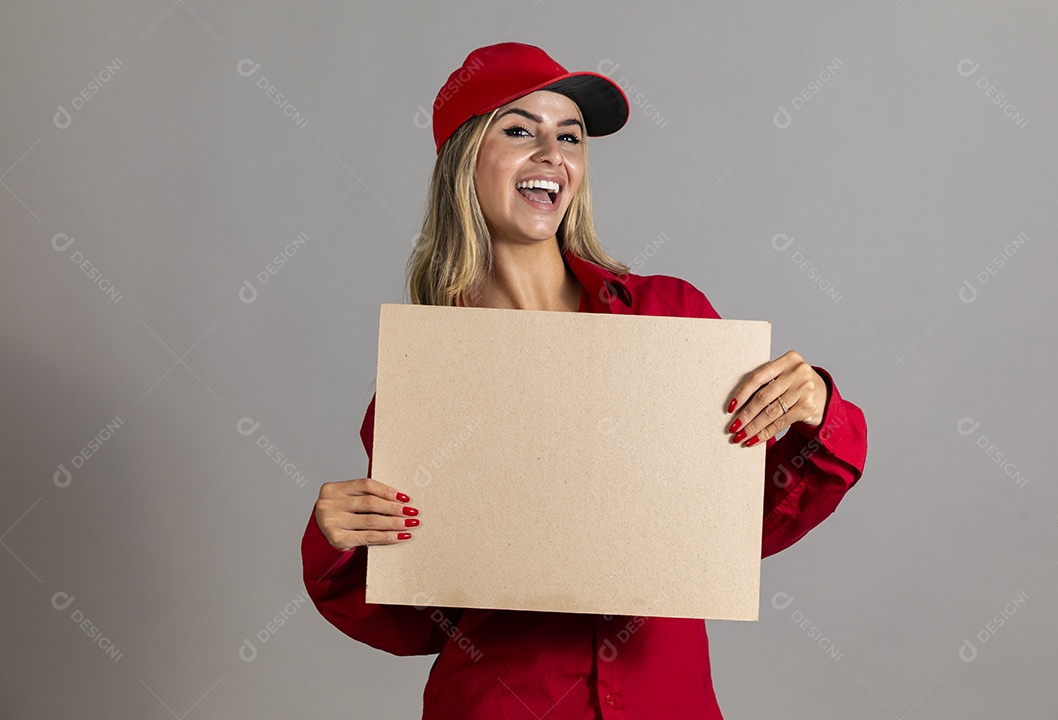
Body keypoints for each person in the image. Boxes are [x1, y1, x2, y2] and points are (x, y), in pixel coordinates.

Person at [300, 42, 868, 719]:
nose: (552, 153)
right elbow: (423, 616)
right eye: (519, 130)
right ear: (462, 158)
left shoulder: (669, 319)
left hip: (667, 702)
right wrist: (339, 537)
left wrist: (815, 413)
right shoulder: (427, 378)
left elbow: (740, 533)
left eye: (569, 137)